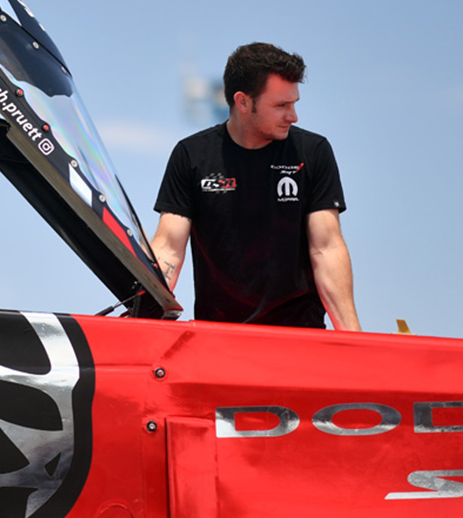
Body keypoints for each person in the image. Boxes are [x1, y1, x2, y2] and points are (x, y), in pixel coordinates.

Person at [151, 43, 360, 331]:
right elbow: (169, 248)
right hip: (219, 339)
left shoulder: (312, 152)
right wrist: (145, 320)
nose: (293, 115)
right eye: (281, 105)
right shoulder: (191, 156)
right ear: (243, 102)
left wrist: (353, 339)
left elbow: (326, 248)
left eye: (294, 103)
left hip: (299, 337)